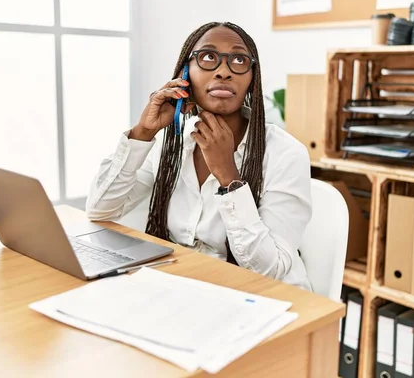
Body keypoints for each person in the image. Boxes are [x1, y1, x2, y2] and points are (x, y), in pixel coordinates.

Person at [86, 22, 313, 291]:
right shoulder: (171, 144)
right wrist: (143, 133)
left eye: (239, 60)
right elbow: (101, 210)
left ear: (252, 79)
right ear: (185, 74)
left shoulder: (286, 154)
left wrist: (229, 176)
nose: (223, 72)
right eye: (208, 57)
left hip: (263, 297)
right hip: (189, 287)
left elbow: (269, 271)